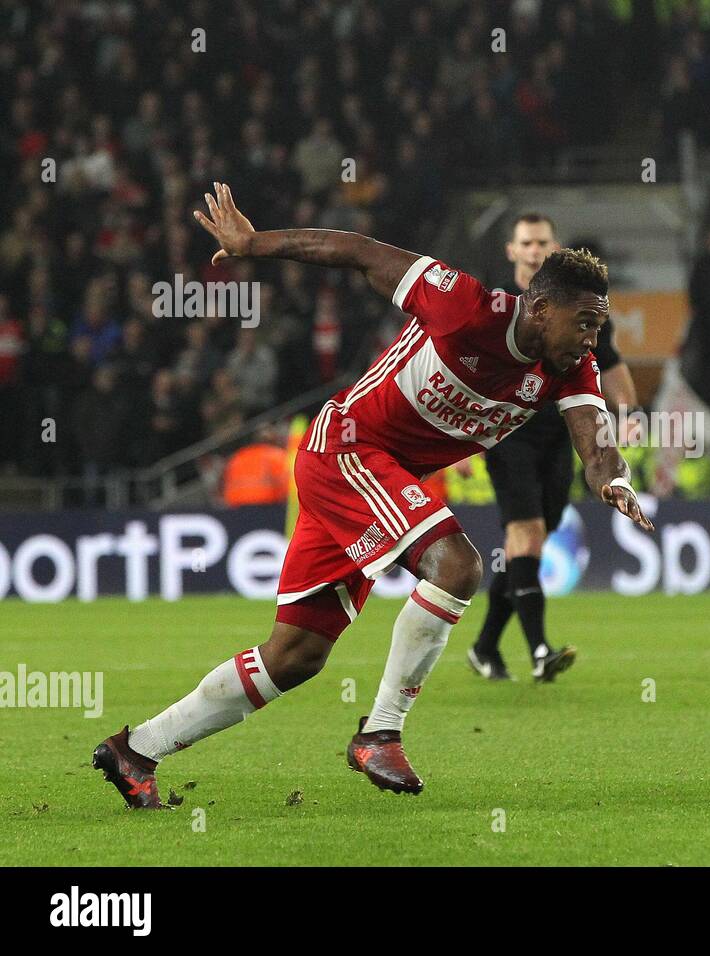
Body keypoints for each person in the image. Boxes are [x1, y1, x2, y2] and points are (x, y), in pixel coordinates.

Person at [92, 183, 653, 808]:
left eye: (599, 323)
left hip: (380, 476)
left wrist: (617, 481)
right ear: (543, 309)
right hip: (347, 452)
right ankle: (381, 732)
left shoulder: (572, 366)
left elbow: (596, 445)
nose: (592, 336)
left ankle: (134, 750)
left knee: (296, 655)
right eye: (586, 321)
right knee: (458, 565)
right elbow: (356, 250)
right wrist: (254, 244)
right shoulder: (465, 305)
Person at [466, 214, 638, 682]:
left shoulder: (579, 308)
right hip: (507, 433)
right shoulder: (500, 304)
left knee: (531, 543)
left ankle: (484, 647)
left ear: (553, 246)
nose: (535, 249)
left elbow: (612, 362)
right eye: (527, 242)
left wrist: (629, 414)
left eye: (543, 241)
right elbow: (472, 371)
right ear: (512, 250)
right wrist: (462, 441)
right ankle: (540, 650)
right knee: (529, 535)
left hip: (562, 433)